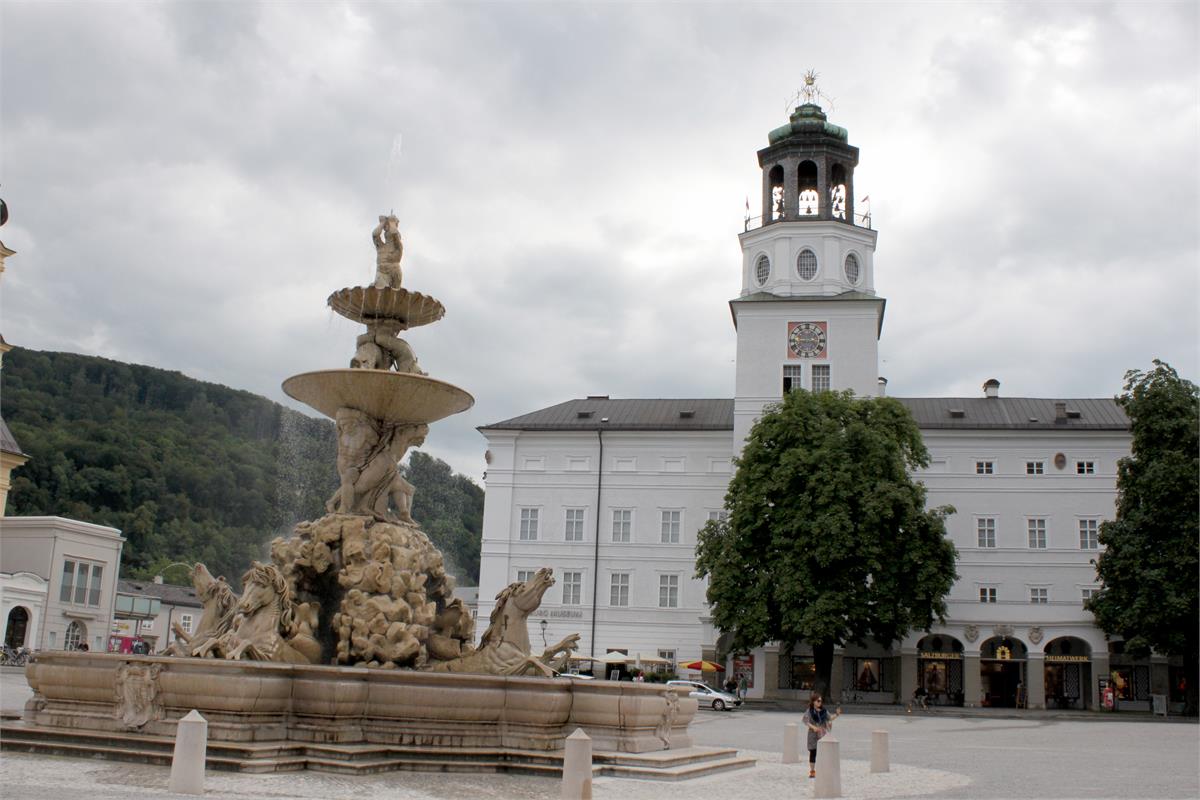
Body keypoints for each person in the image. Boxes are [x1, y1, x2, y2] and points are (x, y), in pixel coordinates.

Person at [801, 692, 841, 779]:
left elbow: (830, 718)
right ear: (813, 702)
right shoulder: (809, 711)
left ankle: (823, 770)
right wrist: (813, 727)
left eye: (821, 701)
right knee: (813, 752)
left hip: (822, 734)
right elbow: (805, 721)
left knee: (823, 752)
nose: (820, 703)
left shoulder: (824, 711)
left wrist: (837, 714)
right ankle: (812, 771)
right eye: (818, 701)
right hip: (813, 734)